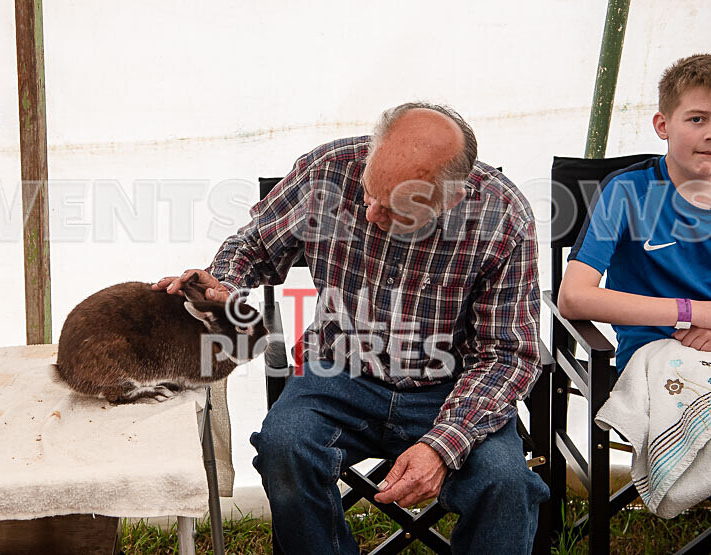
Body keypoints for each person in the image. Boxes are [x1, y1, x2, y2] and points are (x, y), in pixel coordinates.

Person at [153, 102, 549, 553]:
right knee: (286, 448)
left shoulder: (503, 217)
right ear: (373, 152)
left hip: (451, 385)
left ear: (451, 198)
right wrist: (224, 285)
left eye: (396, 210)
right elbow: (255, 245)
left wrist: (442, 445)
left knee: (505, 483)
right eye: (369, 192)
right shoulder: (328, 170)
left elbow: (507, 354)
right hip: (338, 371)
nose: (370, 215)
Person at [558, 54, 711, 372]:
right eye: (697, 119)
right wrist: (698, 313)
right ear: (663, 125)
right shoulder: (627, 191)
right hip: (655, 357)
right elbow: (574, 297)